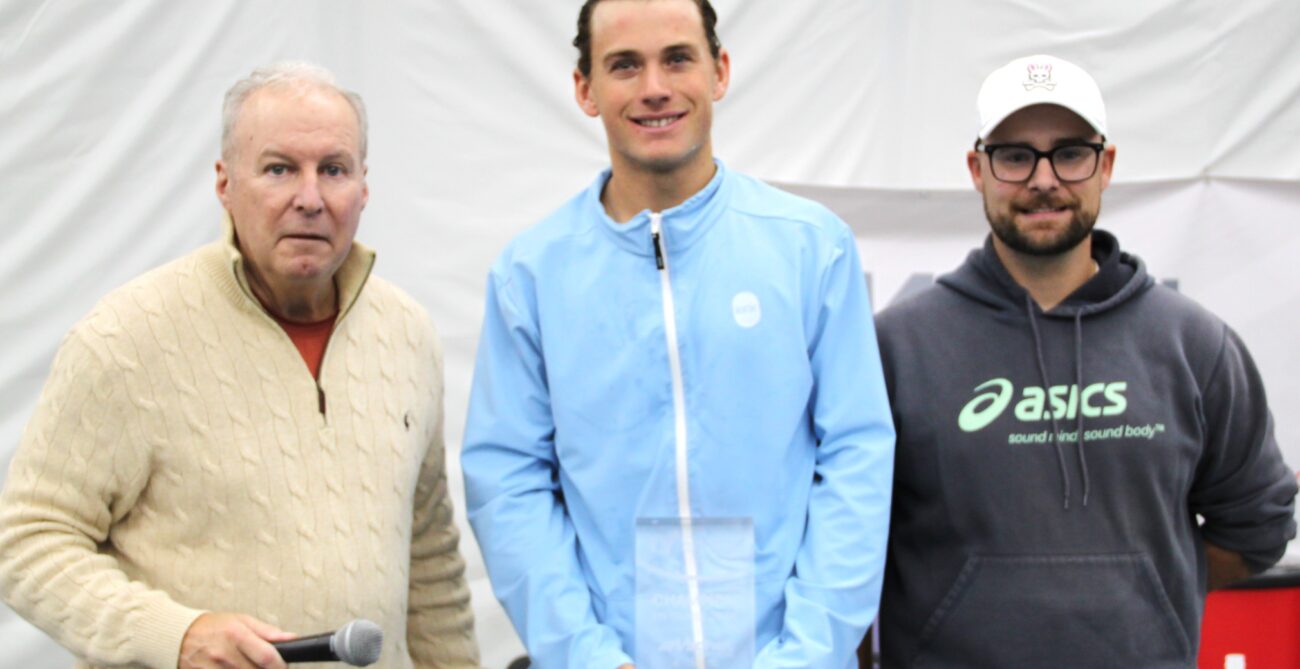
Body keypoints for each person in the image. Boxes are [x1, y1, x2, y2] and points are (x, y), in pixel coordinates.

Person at [0, 62, 480, 669]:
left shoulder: (407, 334)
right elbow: (28, 541)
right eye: (279, 169)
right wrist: (176, 635)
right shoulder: (127, 337)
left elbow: (430, 559)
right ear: (225, 184)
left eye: (333, 169)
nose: (309, 198)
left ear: (364, 187)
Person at [460, 1, 896, 667]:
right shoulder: (531, 277)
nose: (655, 87)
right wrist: (588, 656)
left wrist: (805, 656)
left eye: (677, 58)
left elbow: (856, 459)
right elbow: (508, 482)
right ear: (585, 88)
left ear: (719, 71)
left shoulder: (811, 248)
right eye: (625, 65)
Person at [874, 54, 1298, 668]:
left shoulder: (1194, 344)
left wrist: (1140, 590)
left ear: (1106, 165)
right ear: (977, 169)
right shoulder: (897, 347)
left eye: (1070, 153)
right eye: (1015, 155)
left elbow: (1256, 527)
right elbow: (846, 547)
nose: (1043, 179)